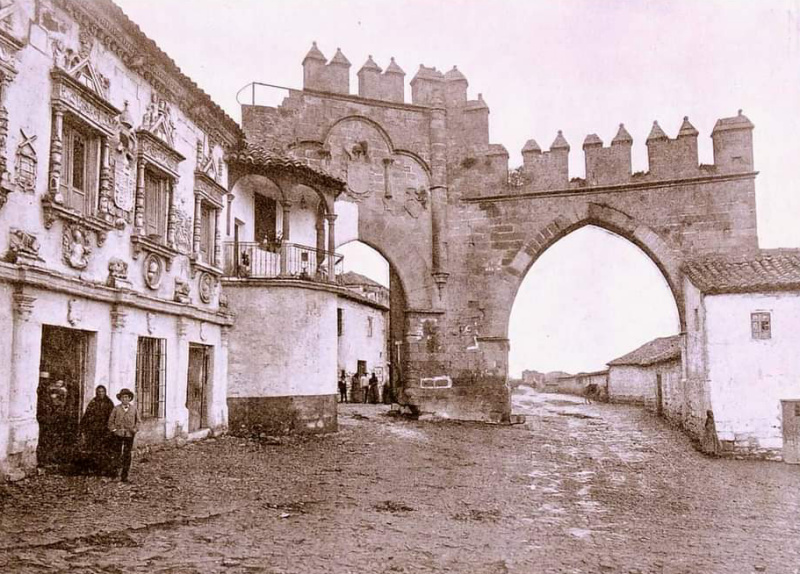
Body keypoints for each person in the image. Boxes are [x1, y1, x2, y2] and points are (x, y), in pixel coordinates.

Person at [78, 385, 115, 476]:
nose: (100, 393)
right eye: (99, 392)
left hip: (104, 430)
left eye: (102, 391)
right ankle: (93, 469)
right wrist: (82, 428)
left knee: (104, 450)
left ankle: (104, 470)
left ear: (105, 392)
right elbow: (87, 415)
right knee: (93, 450)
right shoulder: (93, 402)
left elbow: (112, 417)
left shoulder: (109, 403)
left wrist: (110, 430)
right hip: (94, 430)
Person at [108, 388, 140, 482]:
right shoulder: (116, 409)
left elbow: (138, 421)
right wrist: (114, 430)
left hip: (129, 434)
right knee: (117, 453)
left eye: (127, 397)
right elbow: (110, 422)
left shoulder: (134, 409)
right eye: (123, 397)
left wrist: (134, 429)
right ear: (120, 399)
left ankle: (124, 475)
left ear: (129, 398)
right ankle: (115, 474)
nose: (125, 399)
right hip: (118, 434)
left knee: (127, 454)